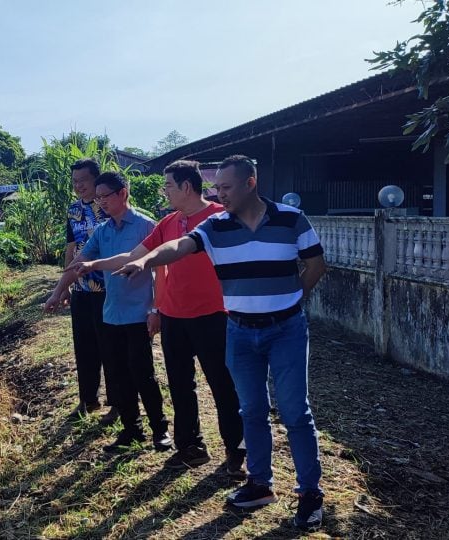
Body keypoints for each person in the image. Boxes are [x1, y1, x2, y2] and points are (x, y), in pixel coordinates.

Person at [110, 155, 328, 530]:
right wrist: (146, 262)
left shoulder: (292, 220)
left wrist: (291, 300)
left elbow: (316, 265)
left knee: (295, 412)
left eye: (226, 188)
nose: (219, 194)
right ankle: (260, 483)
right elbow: (178, 247)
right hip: (240, 330)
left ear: (251, 183)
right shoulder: (216, 226)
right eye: (217, 188)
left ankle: (310, 493)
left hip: (286, 330)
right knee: (251, 410)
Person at [74, 160, 245, 476]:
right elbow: (133, 256)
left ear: (186, 187)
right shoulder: (167, 223)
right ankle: (190, 447)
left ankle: (236, 451)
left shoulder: (220, 218)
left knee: (223, 385)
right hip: (174, 316)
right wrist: (94, 264)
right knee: (181, 386)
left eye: (167, 186)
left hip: (213, 316)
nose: (162, 191)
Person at [46, 171, 172, 451]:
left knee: (142, 373)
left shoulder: (146, 226)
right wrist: (58, 291)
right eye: (98, 197)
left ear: (123, 193)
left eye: (106, 196)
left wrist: (156, 308)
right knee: (118, 373)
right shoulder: (103, 230)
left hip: (139, 313)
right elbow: (81, 260)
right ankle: (131, 430)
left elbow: (161, 270)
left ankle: (160, 430)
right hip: (112, 313)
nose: (101, 201)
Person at [58, 158, 115, 421]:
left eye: (83, 180)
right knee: (84, 347)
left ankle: (117, 403)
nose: (79, 186)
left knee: (110, 347)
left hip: (109, 287)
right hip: (81, 287)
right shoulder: (72, 210)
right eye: (75, 182)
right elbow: (71, 248)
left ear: (96, 178)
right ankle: (88, 399)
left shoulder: (109, 207)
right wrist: (64, 286)